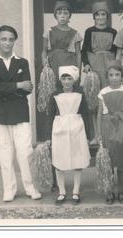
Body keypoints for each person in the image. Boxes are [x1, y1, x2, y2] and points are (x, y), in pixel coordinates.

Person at [0, 25, 41, 202]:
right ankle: (9, 189)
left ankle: (30, 187)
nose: (7, 42)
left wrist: (2, 91)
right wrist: (17, 85)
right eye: (4, 39)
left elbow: (28, 89)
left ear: (15, 40)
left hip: (19, 112)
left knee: (25, 152)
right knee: (4, 153)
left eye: (11, 39)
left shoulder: (22, 62)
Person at [96, 60, 123, 204]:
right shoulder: (103, 92)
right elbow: (100, 114)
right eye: (111, 75)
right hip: (108, 127)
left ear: (122, 76)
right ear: (107, 77)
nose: (114, 78)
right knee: (108, 161)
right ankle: (109, 191)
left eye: (117, 75)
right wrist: (98, 132)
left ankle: (121, 191)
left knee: (121, 161)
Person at [49, 66, 91, 205]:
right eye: (64, 78)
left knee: (77, 158)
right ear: (60, 80)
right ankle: (61, 191)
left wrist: (88, 134)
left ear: (74, 80)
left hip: (76, 127)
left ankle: (76, 191)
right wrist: (48, 136)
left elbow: (86, 114)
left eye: (69, 78)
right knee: (59, 159)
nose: (66, 82)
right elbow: (50, 115)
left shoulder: (80, 95)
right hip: (59, 128)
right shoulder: (55, 95)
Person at [82, 1, 118, 145]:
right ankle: (95, 135)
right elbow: (84, 50)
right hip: (95, 66)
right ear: (94, 17)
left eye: (103, 14)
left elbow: (116, 52)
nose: (101, 17)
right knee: (94, 102)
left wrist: (115, 68)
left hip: (108, 67)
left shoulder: (113, 32)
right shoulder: (89, 31)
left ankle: (107, 134)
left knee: (108, 101)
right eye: (98, 15)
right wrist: (86, 65)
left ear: (107, 16)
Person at [41, 0, 83, 84]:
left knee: (67, 87)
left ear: (69, 16)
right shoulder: (49, 32)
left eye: (65, 13)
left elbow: (78, 54)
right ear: (55, 15)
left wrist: (78, 71)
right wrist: (44, 64)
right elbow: (44, 51)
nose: (62, 16)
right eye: (59, 13)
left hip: (69, 64)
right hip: (53, 64)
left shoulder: (75, 33)